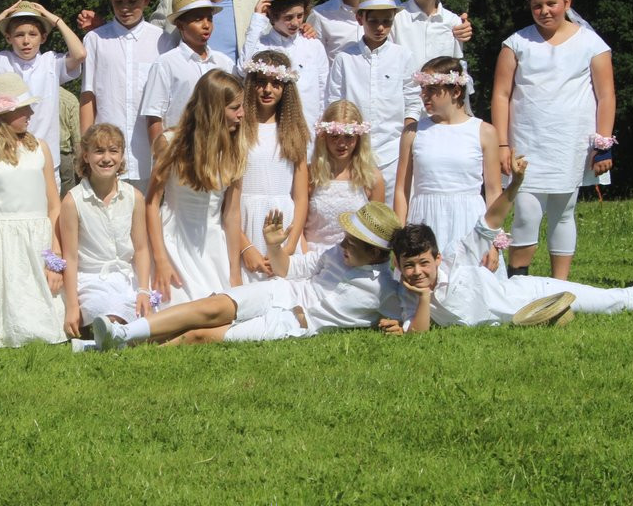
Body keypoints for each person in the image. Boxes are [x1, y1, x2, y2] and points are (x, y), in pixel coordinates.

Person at [391, 157, 633, 332]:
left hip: (534, 295)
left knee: (616, 301)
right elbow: (419, 334)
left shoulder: (458, 258)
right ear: (400, 265)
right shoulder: (408, 294)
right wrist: (423, 297)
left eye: (423, 262)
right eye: (409, 265)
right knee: (614, 311)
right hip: (529, 319)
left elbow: (491, 220)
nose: (417, 271)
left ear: (438, 257)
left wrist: (515, 185)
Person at [91, 202, 403, 349]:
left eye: (353, 242)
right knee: (210, 307)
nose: (343, 243)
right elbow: (286, 269)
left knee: (200, 335)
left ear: (376, 253)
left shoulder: (384, 289)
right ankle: (123, 334)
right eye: (346, 235)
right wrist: (273, 245)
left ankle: (110, 349)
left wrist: (402, 328)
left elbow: (413, 317)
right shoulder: (335, 253)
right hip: (280, 292)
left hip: (295, 323)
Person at [490, 0, 616, 280]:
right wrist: (503, 144)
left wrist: (602, 145)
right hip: (527, 142)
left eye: (552, 4)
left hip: (569, 143)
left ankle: (559, 284)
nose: (545, 11)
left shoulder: (591, 43)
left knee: (564, 212)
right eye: (537, 6)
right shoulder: (516, 43)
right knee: (527, 212)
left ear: (566, 2)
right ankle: (518, 281)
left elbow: (606, 95)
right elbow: (501, 94)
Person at [0, 74, 66, 347]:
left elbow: (54, 206)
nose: (31, 112)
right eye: (23, 108)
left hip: (37, 242)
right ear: (3, 113)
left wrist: (55, 258)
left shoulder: (39, 148)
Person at [146, 70, 246, 307]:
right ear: (213, 109)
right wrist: (160, 259)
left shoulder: (235, 150)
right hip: (173, 239)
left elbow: (231, 215)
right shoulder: (171, 143)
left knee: (221, 306)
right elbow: (151, 203)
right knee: (176, 305)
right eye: (235, 108)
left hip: (212, 243)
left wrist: (234, 272)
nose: (242, 114)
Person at [394, 57, 501, 259]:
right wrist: (400, 239)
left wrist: (493, 240)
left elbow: (494, 191)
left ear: (456, 91)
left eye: (432, 89)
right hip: (425, 217)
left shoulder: (483, 131)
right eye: (423, 88)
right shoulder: (413, 132)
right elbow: (401, 190)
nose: (424, 95)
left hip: (469, 220)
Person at [324, 0, 420, 205]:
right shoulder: (345, 58)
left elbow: (412, 102)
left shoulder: (403, 56)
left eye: (386, 22)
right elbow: (334, 104)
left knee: (392, 213)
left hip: (393, 151)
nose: (380, 28)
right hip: (353, 151)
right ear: (360, 19)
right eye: (374, 21)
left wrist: (405, 143)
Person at [78, 0, 170, 189]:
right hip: (105, 154)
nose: (126, 8)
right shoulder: (95, 40)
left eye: (133, 1)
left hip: (147, 152)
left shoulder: (163, 41)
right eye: (119, 2)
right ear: (111, 2)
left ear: (146, 1)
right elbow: (88, 97)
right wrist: (85, 146)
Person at [60, 124, 151, 345]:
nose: (107, 158)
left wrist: (143, 290)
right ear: (86, 156)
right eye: (99, 151)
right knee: (108, 311)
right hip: (92, 278)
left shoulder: (134, 197)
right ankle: (110, 332)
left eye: (113, 151)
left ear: (121, 156)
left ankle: (108, 338)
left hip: (127, 276)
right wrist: (72, 306)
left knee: (149, 317)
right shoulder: (74, 201)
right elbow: (70, 258)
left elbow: (140, 249)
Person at [0, 0, 86, 160]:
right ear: (8, 37)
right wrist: (0, 18)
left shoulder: (51, 62)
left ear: (43, 38)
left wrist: (57, 20)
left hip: (46, 156)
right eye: (19, 35)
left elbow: (80, 54)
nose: (26, 41)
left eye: (32, 34)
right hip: (8, 155)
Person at [237, 51, 310, 282]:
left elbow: (300, 197)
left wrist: (289, 245)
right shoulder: (238, 130)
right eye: (261, 83)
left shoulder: (292, 131)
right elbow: (227, 201)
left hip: (284, 222)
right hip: (246, 220)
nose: (268, 90)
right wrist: (244, 246)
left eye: (276, 83)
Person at [139, 0, 234, 143]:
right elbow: (154, 116)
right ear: (180, 25)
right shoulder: (166, 63)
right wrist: (161, 158)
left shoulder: (223, 62)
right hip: (181, 152)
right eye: (198, 19)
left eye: (209, 18)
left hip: (218, 151)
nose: (206, 25)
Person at [241, 0, 329, 132]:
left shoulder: (313, 45)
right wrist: (257, 19)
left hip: (309, 127)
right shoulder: (261, 44)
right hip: (272, 128)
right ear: (273, 16)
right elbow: (243, 68)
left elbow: (324, 89)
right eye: (288, 17)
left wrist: (322, 125)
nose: (295, 23)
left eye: (300, 16)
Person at [304, 101, 384, 253]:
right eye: (334, 136)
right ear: (324, 136)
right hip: (314, 257)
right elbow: (298, 227)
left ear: (359, 138)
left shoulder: (371, 177)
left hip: (355, 260)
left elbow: (376, 232)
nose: (341, 144)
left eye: (348, 137)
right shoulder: (310, 175)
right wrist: (305, 259)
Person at [58, 86, 81, 196]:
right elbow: (77, 139)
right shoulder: (69, 98)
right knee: (66, 197)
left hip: (37, 151)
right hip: (63, 155)